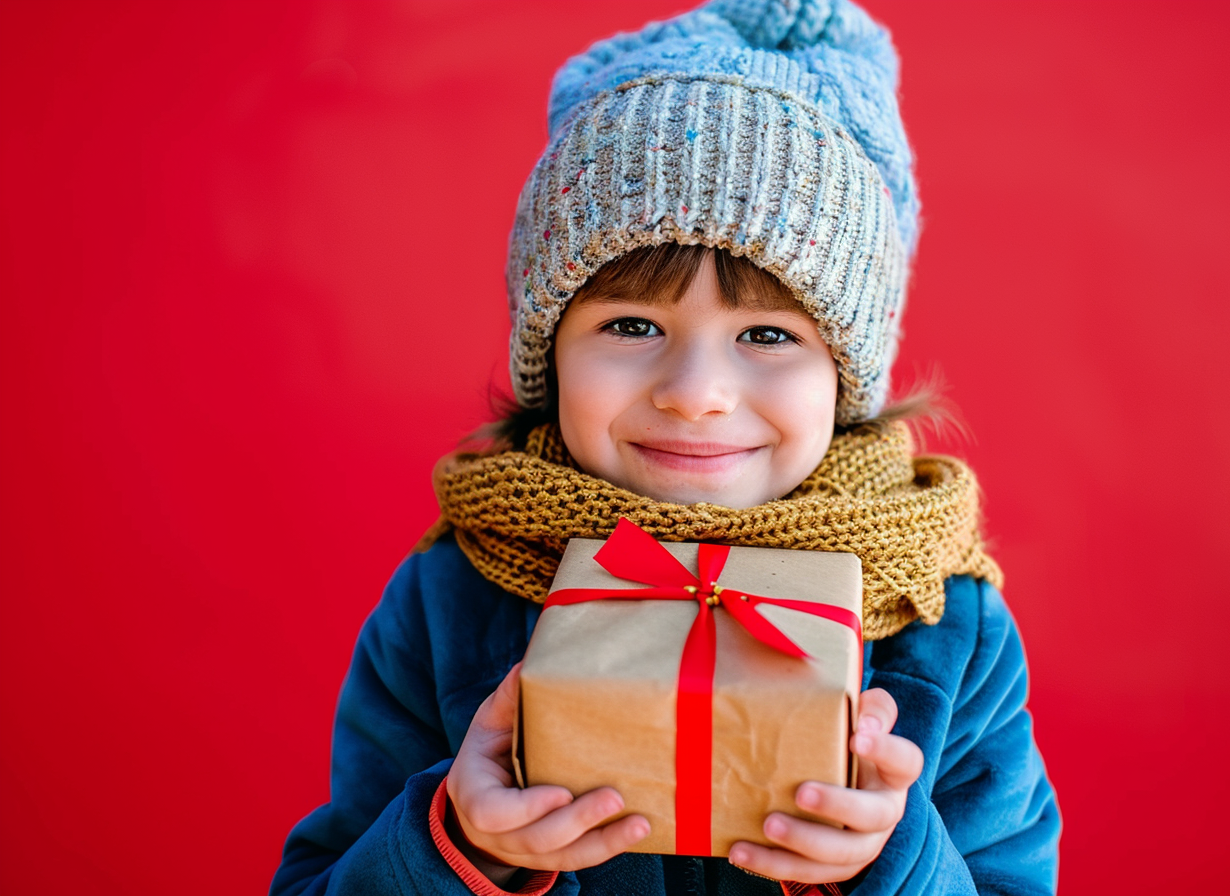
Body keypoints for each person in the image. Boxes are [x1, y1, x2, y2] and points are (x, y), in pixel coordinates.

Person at [270, 1, 1061, 893]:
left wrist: (891, 861)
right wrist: (459, 845)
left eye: (767, 336)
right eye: (634, 323)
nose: (694, 394)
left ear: (844, 376)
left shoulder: (943, 626)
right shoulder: (453, 598)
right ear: (550, 353)